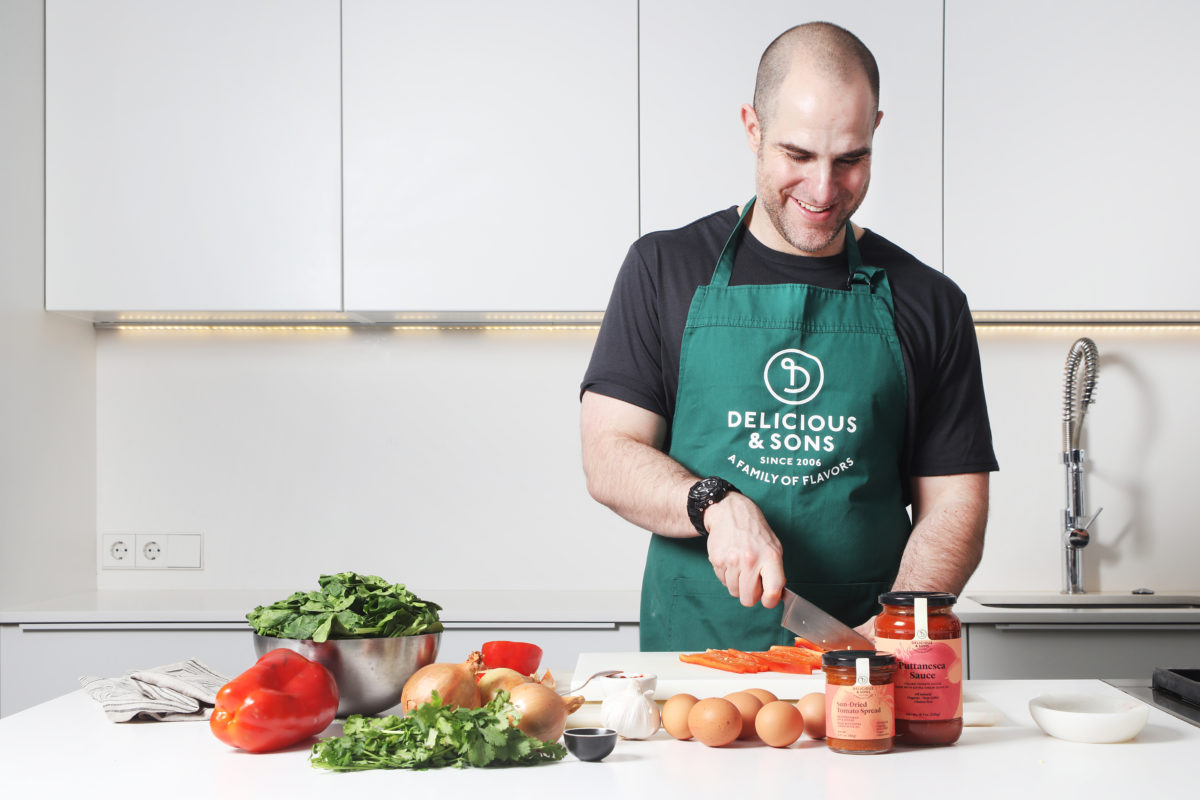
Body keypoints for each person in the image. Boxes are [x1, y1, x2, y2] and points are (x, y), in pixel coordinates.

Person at [579, 22, 998, 652]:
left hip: (862, 661)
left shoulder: (930, 301)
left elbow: (955, 508)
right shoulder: (663, 268)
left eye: (850, 159)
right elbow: (609, 454)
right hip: (697, 662)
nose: (824, 191)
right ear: (752, 127)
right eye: (797, 156)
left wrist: (893, 628)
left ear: (876, 131)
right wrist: (713, 502)